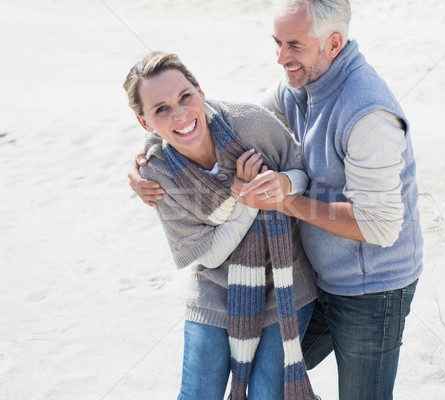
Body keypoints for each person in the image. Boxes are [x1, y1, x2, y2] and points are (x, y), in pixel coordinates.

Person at [129, 1, 423, 398]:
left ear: (333, 44)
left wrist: (284, 198)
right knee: (273, 389)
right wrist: (150, 153)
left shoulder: (368, 115)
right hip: (313, 279)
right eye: (277, 42)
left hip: (371, 290)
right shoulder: (300, 84)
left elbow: (382, 227)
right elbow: (220, 118)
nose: (281, 57)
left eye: (294, 45)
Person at [123, 51, 320, 400]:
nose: (180, 114)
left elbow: (303, 169)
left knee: (264, 394)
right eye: (161, 109)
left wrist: (283, 186)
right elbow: (210, 256)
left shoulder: (250, 125)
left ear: (199, 91)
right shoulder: (156, 175)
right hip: (216, 286)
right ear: (145, 122)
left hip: (285, 278)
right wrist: (246, 201)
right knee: (197, 393)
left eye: (185, 96)